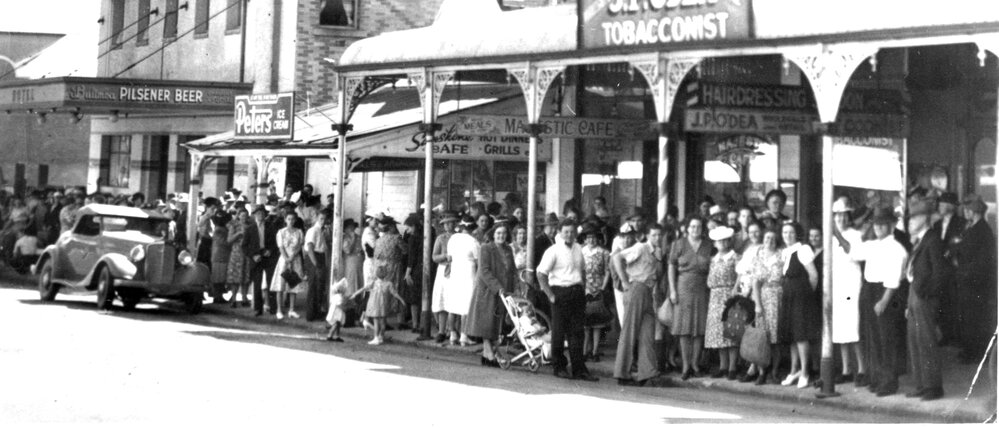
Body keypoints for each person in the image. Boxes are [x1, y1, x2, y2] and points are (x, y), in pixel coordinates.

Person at [845, 207, 908, 396]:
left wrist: (884, 301)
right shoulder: (872, 245)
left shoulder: (897, 249)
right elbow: (854, 252)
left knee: (886, 338)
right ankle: (877, 379)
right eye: (876, 224)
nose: (879, 228)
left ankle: (889, 382)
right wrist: (863, 232)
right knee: (871, 337)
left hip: (885, 292)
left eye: (883, 224)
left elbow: (894, 279)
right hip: (869, 290)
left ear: (891, 226)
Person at [536, 219, 598, 382]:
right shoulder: (553, 250)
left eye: (572, 232)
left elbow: (582, 270)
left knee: (577, 332)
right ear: (560, 233)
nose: (569, 235)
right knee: (559, 332)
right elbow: (541, 273)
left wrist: (583, 289)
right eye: (566, 232)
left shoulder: (578, 248)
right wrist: (550, 295)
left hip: (576, 292)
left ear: (576, 233)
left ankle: (579, 369)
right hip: (559, 292)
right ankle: (559, 366)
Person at [904, 197, 947, 401]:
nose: (910, 221)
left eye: (914, 217)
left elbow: (940, 274)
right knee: (915, 341)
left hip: (923, 298)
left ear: (925, 218)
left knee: (927, 342)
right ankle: (921, 384)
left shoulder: (933, 239)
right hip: (915, 295)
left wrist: (926, 296)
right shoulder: (921, 240)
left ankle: (933, 387)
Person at [612, 223, 665, 386]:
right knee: (630, 331)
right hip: (636, 288)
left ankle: (647, 373)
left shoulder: (657, 253)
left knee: (647, 332)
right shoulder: (641, 248)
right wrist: (624, 281)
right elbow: (617, 257)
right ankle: (622, 373)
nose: (657, 238)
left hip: (648, 292)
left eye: (659, 235)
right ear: (647, 236)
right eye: (654, 235)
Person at [953, 193, 997, 365]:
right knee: (968, 317)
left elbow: (983, 260)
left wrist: (965, 273)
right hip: (967, 281)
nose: (965, 212)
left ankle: (976, 352)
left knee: (976, 318)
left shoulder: (983, 230)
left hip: (976, 283)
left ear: (974, 211)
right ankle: (969, 350)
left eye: (967, 209)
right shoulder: (971, 228)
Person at [465, 223, 516, 367]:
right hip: (488, 291)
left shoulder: (508, 249)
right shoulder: (486, 248)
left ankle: (488, 354)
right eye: (498, 233)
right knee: (487, 324)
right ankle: (489, 354)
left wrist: (512, 289)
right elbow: (484, 271)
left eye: (504, 233)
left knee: (496, 325)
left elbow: (511, 271)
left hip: (503, 292)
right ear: (493, 234)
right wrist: (498, 288)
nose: (501, 236)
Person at [668, 216, 712, 380]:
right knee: (684, 329)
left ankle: (695, 363)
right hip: (683, 288)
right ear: (687, 228)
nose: (695, 230)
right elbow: (671, 266)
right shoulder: (678, 244)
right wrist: (672, 290)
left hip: (702, 289)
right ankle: (686, 365)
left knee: (699, 329)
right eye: (692, 227)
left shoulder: (708, 245)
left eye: (698, 227)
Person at [830, 196, 868, 386]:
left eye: (844, 216)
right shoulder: (831, 236)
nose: (841, 220)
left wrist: (838, 235)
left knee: (854, 328)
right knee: (840, 329)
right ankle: (846, 369)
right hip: (837, 286)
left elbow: (856, 254)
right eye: (837, 216)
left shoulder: (855, 234)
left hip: (852, 285)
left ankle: (861, 368)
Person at [778, 222, 820, 389]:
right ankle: (793, 370)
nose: (787, 235)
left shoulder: (802, 249)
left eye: (790, 232)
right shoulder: (786, 252)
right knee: (791, 337)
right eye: (784, 232)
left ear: (796, 234)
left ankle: (805, 373)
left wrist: (806, 295)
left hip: (801, 296)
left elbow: (813, 276)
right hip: (788, 295)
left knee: (801, 335)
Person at [745, 227, 784, 385]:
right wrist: (758, 305)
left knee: (776, 338)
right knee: (762, 337)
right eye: (767, 238)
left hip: (778, 298)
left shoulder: (782, 256)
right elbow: (755, 282)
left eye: (773, 238)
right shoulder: (758, 257)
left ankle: (774, 372)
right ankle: (761, 372)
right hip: (763, 297)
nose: (769, 241)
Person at [704, 226, 741, 381]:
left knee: (730, 330)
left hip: (729, 294)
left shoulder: (735, 257)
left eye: (725, 240)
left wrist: (735, 288)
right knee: (718, 331)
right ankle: (723, 366)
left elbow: (740, 275)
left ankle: (732, 366)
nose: (723, 243)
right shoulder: (713, 259)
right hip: (715, 296)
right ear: (715, 243)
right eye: (720, 241)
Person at [932, 192, 965, 346]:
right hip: (940, 269)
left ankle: (956, 336)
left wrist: (949, 253)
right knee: (943, 302)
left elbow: (959, 243)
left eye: (942, 204)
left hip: (953, 268)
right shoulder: (937, 224)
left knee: (954, 302)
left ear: (950, 206)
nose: (939, 206)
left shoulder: (961, 223)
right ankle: (946, 335)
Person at [443, 215, 479, 346]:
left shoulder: (453, 238)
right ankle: (464, 336)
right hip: (469, 273)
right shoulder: (474, 242)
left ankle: (453, 335)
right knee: (466, 306)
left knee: (453, 305)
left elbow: (449, 258)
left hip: (456, 272)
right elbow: (477, 260)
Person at [580, 223, 612, 363]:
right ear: (585, 239)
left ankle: (594, 351)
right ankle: (584, 350)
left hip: (598, 289)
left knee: (598, 323)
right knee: (586, 323)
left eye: (593, 237)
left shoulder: (604, 252)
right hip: (585, 288)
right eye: (588, 238)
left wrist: (603, 287)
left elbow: (607, 271)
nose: (591, 240)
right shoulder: (581, 251)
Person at [352, 265, 406, 345]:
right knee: (383, 322)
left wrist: (355, 294)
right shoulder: (389, 284)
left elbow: (363, 289)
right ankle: (381, 337)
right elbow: (394, 293)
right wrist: (401, 300)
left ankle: (376, 338)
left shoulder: (373, 283)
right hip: (384, 305)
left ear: (376, 274)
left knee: (376, 322)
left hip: (375, 305)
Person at [373, 215, 407, 328]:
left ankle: (384, 320)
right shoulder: (396, 238)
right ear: (391, 227)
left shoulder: (378, 240)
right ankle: (400, 320)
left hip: (381, 269)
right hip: (394, 267)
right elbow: (405, 250)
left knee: (383, 293)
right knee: (396, 291)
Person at [245, 205, 278, 316]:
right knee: (257, 284)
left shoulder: (270, 226)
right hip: (256, 258)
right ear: (254, 215)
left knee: (270, 283)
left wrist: (270, 250)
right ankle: (258, 308)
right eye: (258, 214)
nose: (261, 216)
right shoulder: (250, 228)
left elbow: (275, 243)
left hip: (268, 257)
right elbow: (244, 246)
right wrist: (253, 256)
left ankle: (273, 308)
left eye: (263, 214)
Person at [271, 212, 305, 320]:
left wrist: (293, 256)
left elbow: (300, 246)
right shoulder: (281, 232)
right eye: (289, 219)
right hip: (284, 259)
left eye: (293, 219)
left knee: (293, 284)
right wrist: (286, 258)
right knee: (280, 285)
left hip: (295, 259)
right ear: (285, 220)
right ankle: (279, 310)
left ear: (295, 220)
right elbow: (280, 247)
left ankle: (291, 309)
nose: (291, 221)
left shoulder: (299, 232)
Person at [431, 211, 459, 343]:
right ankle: (442, 330)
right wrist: (444, 256)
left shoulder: (460, 237)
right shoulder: (440, 238)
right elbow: (434, 257)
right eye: (446, 224)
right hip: (444, 271)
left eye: (451, 223)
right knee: (442, 301)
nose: (449, 226)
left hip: (457, 270)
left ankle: (453, 329)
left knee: (454, 301)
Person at [304, 210, 331, 321]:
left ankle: (316, 311)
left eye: (324, 219)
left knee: (319, 287)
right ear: (316, 218)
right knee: (313, 287)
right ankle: (310, 314)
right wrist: (315, 264)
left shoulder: (321, 231)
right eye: (321, 219)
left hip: (320, 256)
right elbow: (310, 247)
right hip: (314, 257)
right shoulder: (313, 230)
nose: (323, 221)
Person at [341, 219, 365, 324]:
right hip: (351, 263)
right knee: (351, 285)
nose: (352, 230)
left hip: (359, 263)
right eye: (350, 228)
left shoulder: (359, 237)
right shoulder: (345, 239)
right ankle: (350, 311)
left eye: (353, 228)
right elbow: (347, 250)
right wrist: (353, 238)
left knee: (359, 285)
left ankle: (357, 310)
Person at [226, 209, 251, 307]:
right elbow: (229, 240)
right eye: (242, 215)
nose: (243, 217)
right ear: (238, 216)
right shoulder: (234, 226)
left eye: (245, 215)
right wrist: (238, 234)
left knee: (246, 276)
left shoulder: (250, 227)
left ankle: (244, 298)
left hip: (246, 253)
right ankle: (233, 299)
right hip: (236, 252)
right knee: (235, 277)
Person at [210, 212, 232, 303]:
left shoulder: (219, 229)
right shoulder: (220, 230)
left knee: (220, 276)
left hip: (220, 255)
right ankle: (217, 296)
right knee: (218, 277)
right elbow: (223, 243)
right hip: (220, 255)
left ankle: (218, 295)